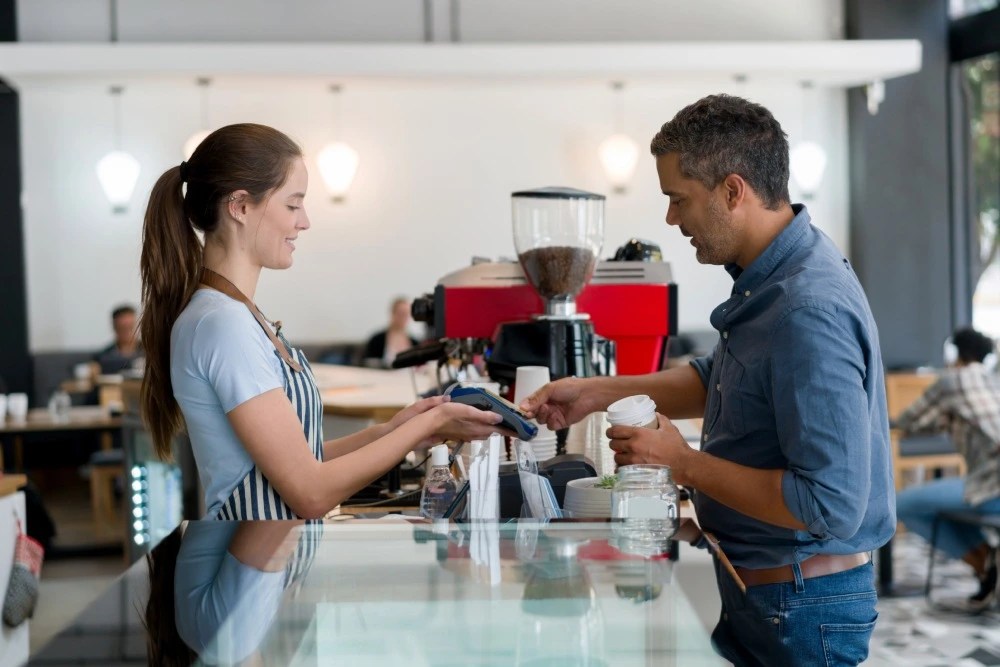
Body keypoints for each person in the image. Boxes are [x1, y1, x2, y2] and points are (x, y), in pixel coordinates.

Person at [521, 95, 894, 666]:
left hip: (801, 606)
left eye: (678, 199)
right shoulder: (770, 278)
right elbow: (719, 379)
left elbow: (829, 503)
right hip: (768, 590)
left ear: (733, 190)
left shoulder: (806, 308)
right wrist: (596, 393)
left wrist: (681, 462)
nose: (672, 219)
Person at [139, 123, 508, 521]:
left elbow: (303, 459)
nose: (304, 222)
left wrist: (397, 430)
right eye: (293, 205)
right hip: (250, 565)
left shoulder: (240, 315)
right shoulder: (222, 324)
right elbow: (310, 493)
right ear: (241, 206)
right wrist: (430, 422)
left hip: (272, 562)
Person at [894, 327, 1000, 610]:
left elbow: (909, 421)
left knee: (898, 504)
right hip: (988, 483)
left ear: (955, 354)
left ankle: (985, 565)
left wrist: (890, 422)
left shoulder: (953, 380)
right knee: (937, 502)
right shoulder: (991, 380)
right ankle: (989, 565)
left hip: (992, 486)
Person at [361, 297, 419, 368]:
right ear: (392, 313)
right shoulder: (377, 340)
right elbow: (368, 363)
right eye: (401, 313)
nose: (404, 317)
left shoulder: (415, 343)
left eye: (406, 314)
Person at [94, 304, 143, 374]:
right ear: (114, 327)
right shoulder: (102, 357)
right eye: (122, 328)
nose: (127, 332)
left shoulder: (150, 353)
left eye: (130, 327)